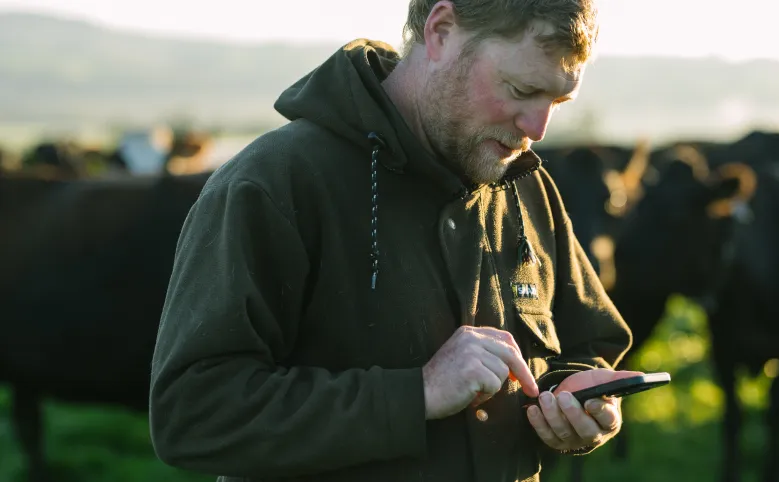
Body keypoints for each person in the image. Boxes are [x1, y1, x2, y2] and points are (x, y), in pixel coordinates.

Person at [148, 1, 637, 481]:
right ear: (441, 32)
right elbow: (192, 415)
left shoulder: (526, 185)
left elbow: (591, 343)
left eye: (556, 101)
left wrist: (574, 400)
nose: (537, 127)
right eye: (520, 88)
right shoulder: (274, 183)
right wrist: (417, 393)